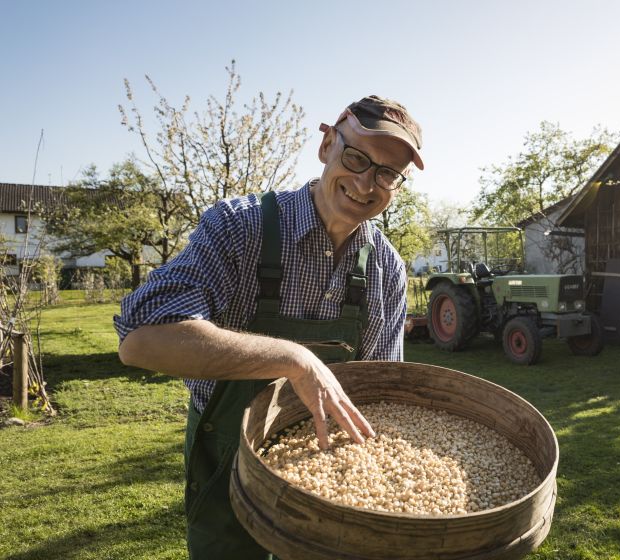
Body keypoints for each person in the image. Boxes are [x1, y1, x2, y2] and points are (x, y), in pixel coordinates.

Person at [115, 95, 424, 559]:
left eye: (386, 174)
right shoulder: (239, 228)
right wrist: (293, 359)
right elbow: (140, 341)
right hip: (228, 462)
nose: (365, 183)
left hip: (330, 469)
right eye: (356, 157)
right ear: (326, 145)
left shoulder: (386, 268)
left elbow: (380, 394)